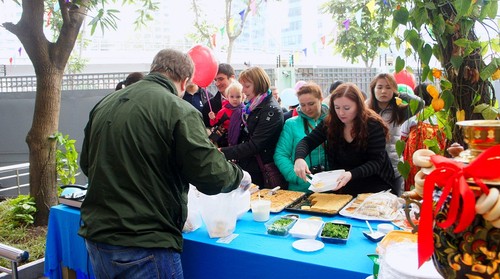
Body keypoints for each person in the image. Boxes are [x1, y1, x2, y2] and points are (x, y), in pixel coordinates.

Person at [78, 48, 251, 279]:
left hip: (98, 237)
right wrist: (239, 176)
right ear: (185, 81)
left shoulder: (106, 104)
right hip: (144, 239)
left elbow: (87, 164)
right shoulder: (178, 109)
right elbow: (210, 175)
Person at [294, 82, 394, 196]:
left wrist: (351, 174)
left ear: (358, 106)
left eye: (347, 108)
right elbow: (307, 141)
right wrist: (299, 158)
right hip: (345, 184)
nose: (341, 113)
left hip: (376, 185)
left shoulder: (373, 125)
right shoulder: (330, 123)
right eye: (337, 107)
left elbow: (376, 162)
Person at [220, 66, 284, 188]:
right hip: (250, 167)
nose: (243, 90)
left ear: (259, 85)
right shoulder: (251, 106)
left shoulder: (271, 110)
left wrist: (224, 152)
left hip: (262, 171)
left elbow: (255, 145)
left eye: (247, 86)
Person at [366, 73, 424, 196]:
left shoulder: (399, 110)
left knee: (397, 201)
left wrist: (398, 93)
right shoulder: (366, 110)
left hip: (394, 167)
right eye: (379, 87)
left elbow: (420, 104)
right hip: (373, 169)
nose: (383, 91)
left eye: (388, 87)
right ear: (373, 89)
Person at [274, 82, 329, 192]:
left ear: (321, 99)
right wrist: (297, 177)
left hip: (330, 186)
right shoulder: (291, 124)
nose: (307, 109)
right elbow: (281, 154)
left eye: (311, 103)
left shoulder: (333, 122)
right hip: (300, 189)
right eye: (302, 105)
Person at [401, 83, 446, 190]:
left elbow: (402, 139)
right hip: (436, 160)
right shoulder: (442, 117)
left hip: (415, 161)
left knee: (416, 185)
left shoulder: (412, 117)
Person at [208, 81, 245, 146]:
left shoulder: (245, 110)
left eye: (238, 97)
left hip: (241, 139)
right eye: (232, 96)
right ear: (227, 97)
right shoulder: (224, 111)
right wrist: (212, 118)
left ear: (243, 97)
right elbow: (214, 123)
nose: (235, 99)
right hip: (225, 139)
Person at [201, 63, 235, 127]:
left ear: (232, 78)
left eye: (221, 79)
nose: (217, 83)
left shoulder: (244, 101)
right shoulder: (209, 105)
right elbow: (204, 128)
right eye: (215, 80)